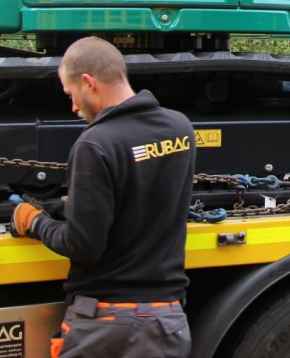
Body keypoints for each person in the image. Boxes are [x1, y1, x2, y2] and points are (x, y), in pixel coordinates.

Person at [12, 37, 195, 358]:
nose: (73, 107)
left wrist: (35, 221)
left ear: (88, 83)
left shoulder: (95, 144)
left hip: (107, 325)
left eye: (71, 95)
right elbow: (145, 193)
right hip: (167, 321)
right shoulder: (179, 128)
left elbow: (83, 245)